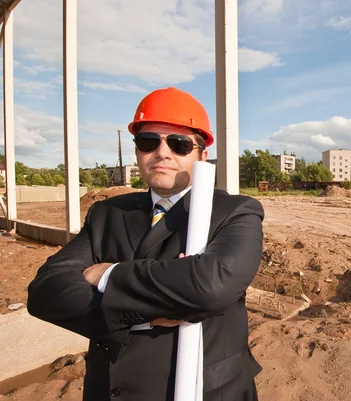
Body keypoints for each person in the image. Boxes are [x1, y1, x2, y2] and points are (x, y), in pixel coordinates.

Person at [27, 87, 264, 401]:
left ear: (202, 155)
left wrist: (108, 275)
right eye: (149, 141)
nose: (162, 153)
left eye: (179, 144)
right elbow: (46, 292)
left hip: (206, 391)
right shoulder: (107, 215)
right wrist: (153, 309)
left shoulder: (235, 212)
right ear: (138, 150)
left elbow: (210, 287)